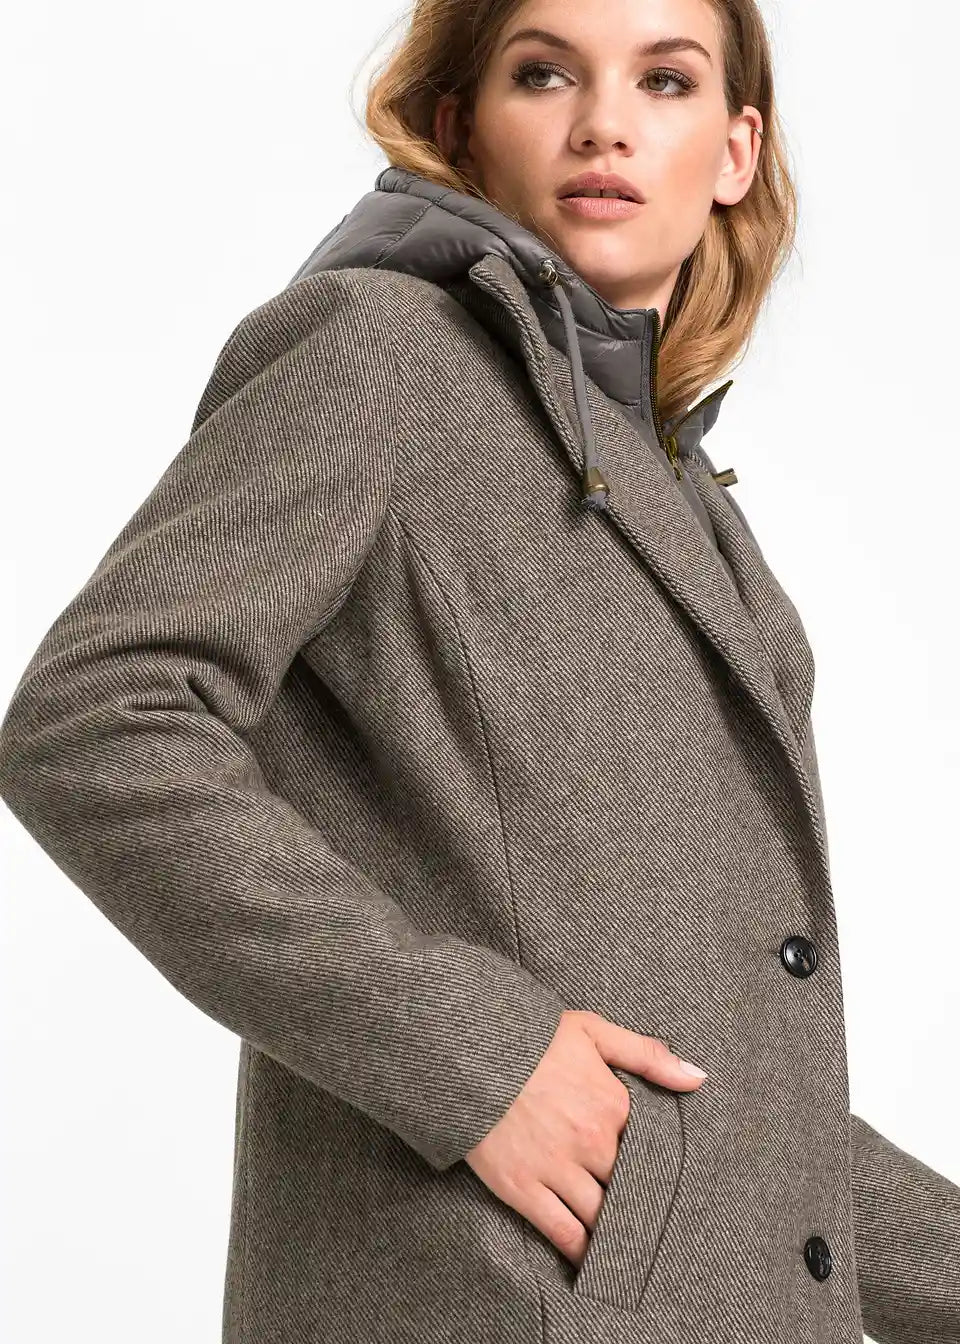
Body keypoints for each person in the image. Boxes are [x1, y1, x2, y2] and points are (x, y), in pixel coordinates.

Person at [1, 0, 957, 1341]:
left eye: (665, 82)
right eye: (544, 73)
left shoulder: (693, 508)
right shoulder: (380, 352)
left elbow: (728, 1103)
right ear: (461, 127)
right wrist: (475, 1057)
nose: (604, 124)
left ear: (736, 151)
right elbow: (98, 719)